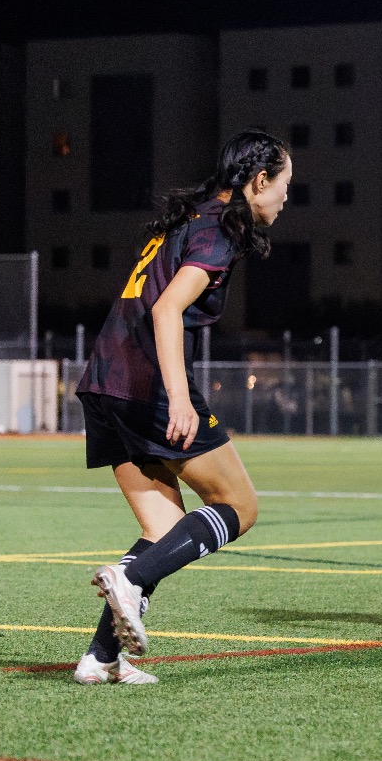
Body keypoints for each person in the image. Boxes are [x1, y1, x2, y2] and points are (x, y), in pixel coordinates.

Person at [71, 129, 293, 686]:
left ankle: (100, 658)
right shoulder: (219, 230)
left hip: (103, 378)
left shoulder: (192, 216)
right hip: (144, 381)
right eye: (285, 185)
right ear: (259, 181)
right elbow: (168, 310)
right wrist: (176, 396)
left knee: (163, 524)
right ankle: (132, 580)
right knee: (238, 505)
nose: (287, 198)